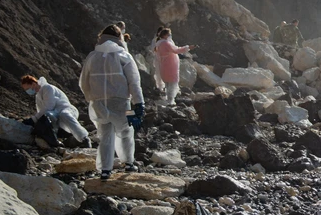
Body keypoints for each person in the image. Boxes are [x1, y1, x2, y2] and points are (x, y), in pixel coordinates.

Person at [79, 24, 145, 180]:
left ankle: (105, 170)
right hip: (122, 102)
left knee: (105, 135)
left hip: (99, 102)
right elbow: (134, 82)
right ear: (119, 38)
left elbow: (83, 81)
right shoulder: (124, 56)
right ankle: (128, 163)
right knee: (127, 131)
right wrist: (139, 103)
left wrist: (91, 97)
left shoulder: (92, 56)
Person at [20, 75, 91, 148]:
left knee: (64, 114)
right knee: (46, 119)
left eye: (28, 88)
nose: (28, 91)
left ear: (33, 84)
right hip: (56, 117)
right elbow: (42, 112)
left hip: (67, 110)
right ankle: (55, 142)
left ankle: (84, 138)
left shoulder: (48, 88)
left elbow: (48, 107)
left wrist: (33, 119)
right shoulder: (38, 97)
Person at [153, 28, 195, 105]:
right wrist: (188, 47)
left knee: (167, 83)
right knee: (172, 82)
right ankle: (170, 100)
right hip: (170, 65)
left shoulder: (158, 43)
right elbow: (177, 50)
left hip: (164, 65)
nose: (170, 36)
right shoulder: (166, 43)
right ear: (165, 35)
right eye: (169, 34)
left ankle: (168, 99)